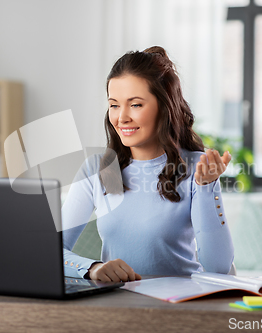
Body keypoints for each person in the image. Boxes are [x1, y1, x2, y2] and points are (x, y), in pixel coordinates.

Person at [62, 46, 234, 282]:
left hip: (180, 305)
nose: (121, 117)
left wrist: (207, 186)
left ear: (164, 107)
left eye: (135, 105)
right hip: (120, 304)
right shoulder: (96, 169)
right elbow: (50, 251)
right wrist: (91, 268)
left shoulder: (196, 167)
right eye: (114, 105)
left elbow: (218, 267)